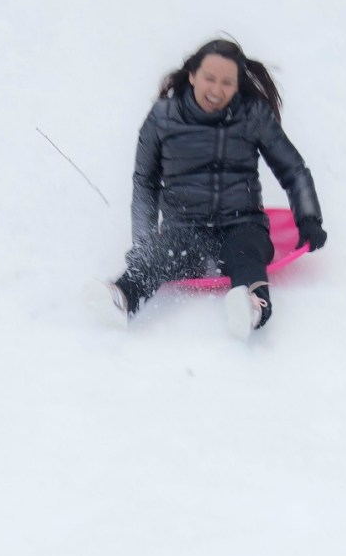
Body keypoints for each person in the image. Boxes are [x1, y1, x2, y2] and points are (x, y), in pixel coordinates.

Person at [103, 38, 326, 334]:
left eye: (227, 82)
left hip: (242, 222)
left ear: (237, 85)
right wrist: (144, 246)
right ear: (192, 75)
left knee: (246, 254)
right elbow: (145, 182)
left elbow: (292, 169)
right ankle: (121, 298)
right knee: (164, 254)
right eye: (209, 78)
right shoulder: (162, 117)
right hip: (185, 227)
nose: (216, 90)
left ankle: (252, 307)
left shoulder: (252, 115)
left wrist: (309, 219)